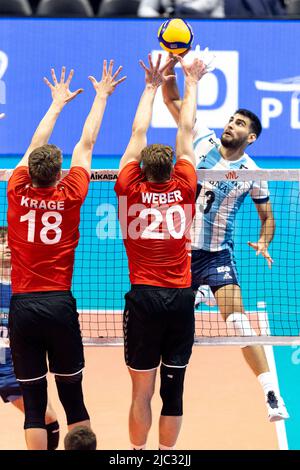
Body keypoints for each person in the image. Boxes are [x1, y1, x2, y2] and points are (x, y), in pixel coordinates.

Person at [161, 54, 289, 422]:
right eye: (231, 119)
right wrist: (173, 66)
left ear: (250, 138)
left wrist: (265, 241)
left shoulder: (253, 172)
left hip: (217, 254)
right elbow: (171, 100)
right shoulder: (200, 140)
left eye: (239, 124)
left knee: (238, 321)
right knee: (171, 324)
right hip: (180, 252)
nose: (231, 125)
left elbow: (268, 218)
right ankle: (195, 294)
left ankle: (271, 393)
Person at [7, 62, 126, 450]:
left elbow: (32, 147)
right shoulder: (71, 193)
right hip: (59, 304)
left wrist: (56, 104)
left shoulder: (16, 188)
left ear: (30, 172)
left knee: (34, 407)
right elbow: (86, 145)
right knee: (74, 401)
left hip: (22, 307)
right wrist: (102, 97)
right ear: (59, 173)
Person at [114, 53, 207, 450]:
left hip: (144, 300)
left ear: (140, 170)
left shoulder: (128, 188)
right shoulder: (186, 184)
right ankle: (167, 457)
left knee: (140, 393)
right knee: (175, 392)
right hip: (180, 298)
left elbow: (138, 134)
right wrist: (192, 80)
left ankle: (137, 455)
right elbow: (186, 129)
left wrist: (150, 86)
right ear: (173, 168)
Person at [0, 226, 60, 450]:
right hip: (4, 364)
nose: (6, 246)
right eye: (1, 241)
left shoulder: (24, 285)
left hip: (19, 365)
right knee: (42, 416)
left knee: (47, 417)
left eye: (9, 241)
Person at [138, 0, 224, 17]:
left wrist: (180, 8)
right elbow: (145, 9)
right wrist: (161, 17)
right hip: (173, 26)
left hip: (211, 26)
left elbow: (207, 5)